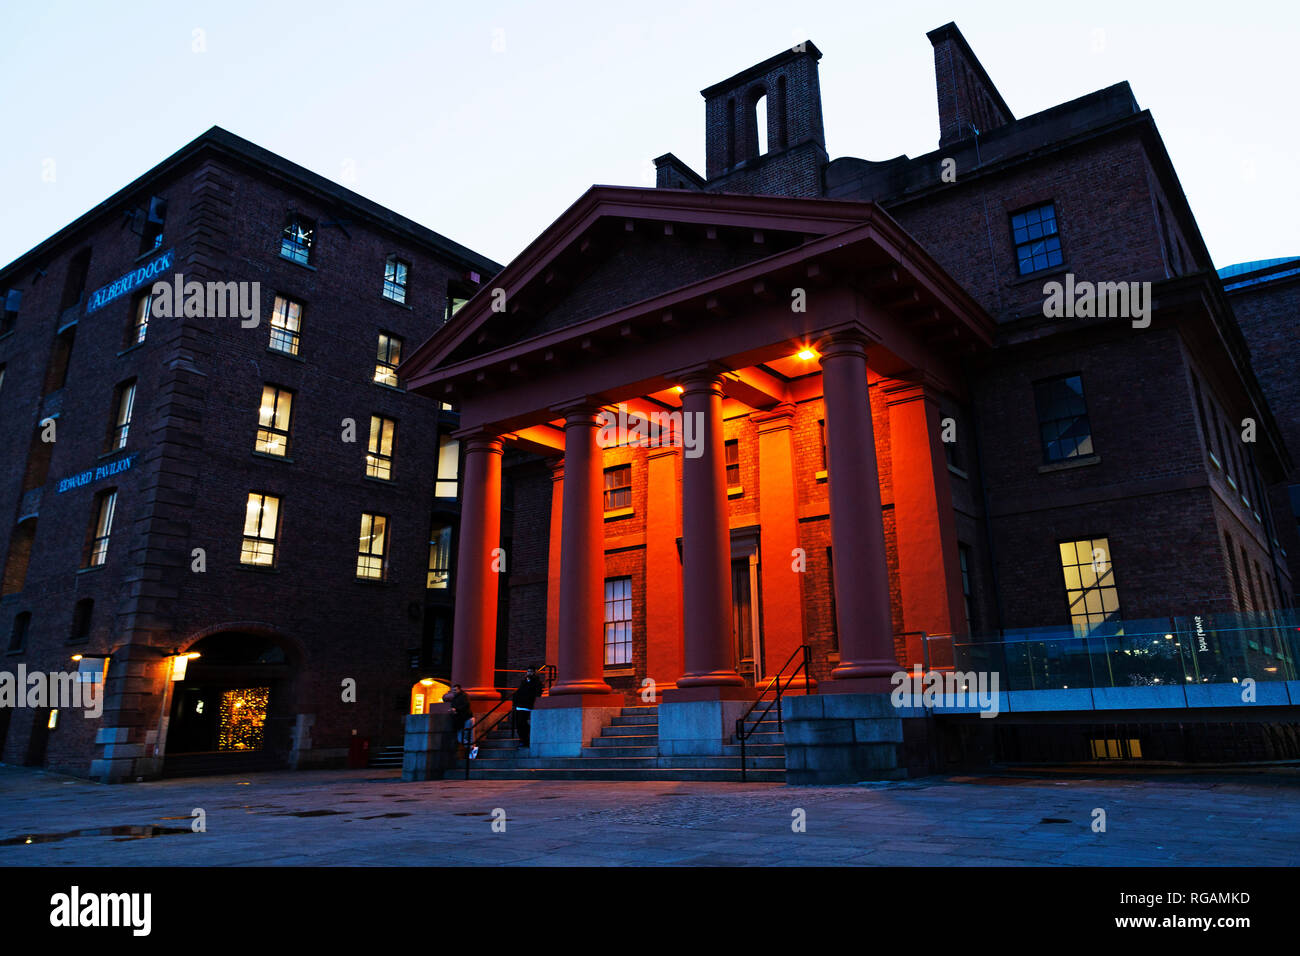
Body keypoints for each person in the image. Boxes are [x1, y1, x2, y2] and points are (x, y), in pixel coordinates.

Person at [511, 667, 544, 748]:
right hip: (520, 705)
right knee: (519, 724)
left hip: (527, 705)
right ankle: (522, 739)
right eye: (528, 671)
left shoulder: (537, 683)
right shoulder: (524, 682)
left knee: (522, 723)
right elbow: (519, 691)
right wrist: (515, 702)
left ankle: (525, 740)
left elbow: (537, 693)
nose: (529, 673)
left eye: (531, 672)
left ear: (534, 673)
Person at [443, 684, 474, 753]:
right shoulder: (455, 698)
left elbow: (466, 705)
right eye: (453, 690)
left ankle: (472, 749)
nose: (454, 691)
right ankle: (472, 749)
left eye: (455, 690)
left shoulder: (464, 696)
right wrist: (453, 710)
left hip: (466, 719)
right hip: (460, 721)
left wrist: (456, 709)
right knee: (463, 738)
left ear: (459, 689)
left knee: (467, 736)